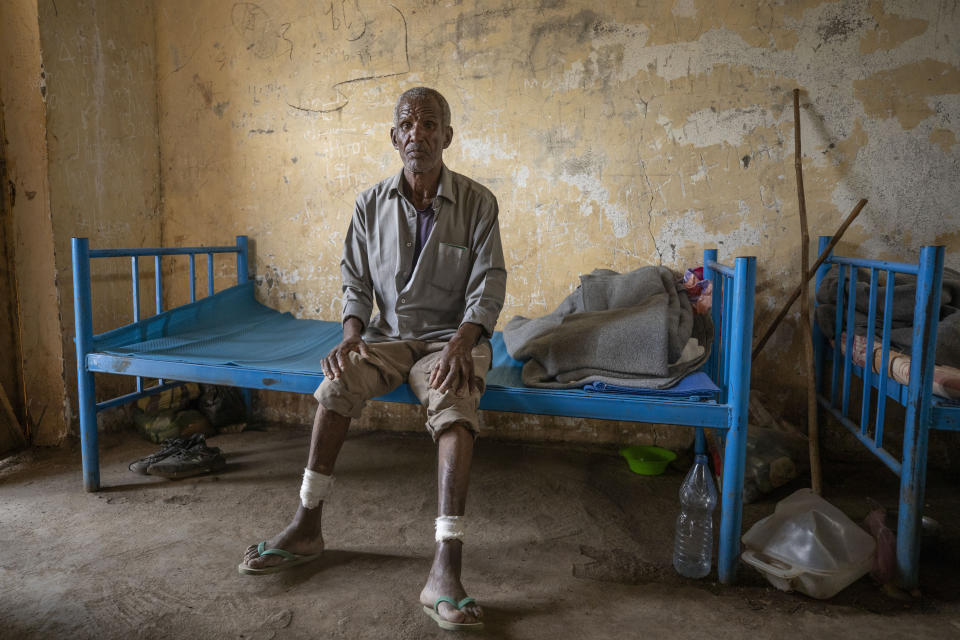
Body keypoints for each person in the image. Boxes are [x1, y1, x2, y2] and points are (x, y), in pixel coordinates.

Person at [238, 87, 506, 632]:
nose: (417, 134)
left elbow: (489, 283)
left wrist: (463, 340)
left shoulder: (479, 203)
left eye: (429, 124)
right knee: (336, 382)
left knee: (455, 399)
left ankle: (445, 567)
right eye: (406, 124)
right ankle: (307, 524)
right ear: (394, 137)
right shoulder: (369, 204)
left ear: (447, 137)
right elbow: (355, 281)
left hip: (449, 340)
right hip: (387, 336)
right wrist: (352, 333)